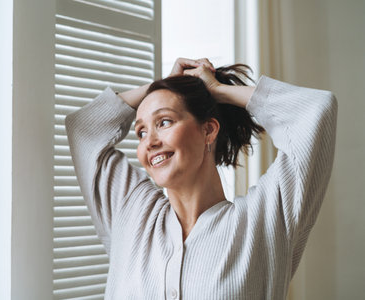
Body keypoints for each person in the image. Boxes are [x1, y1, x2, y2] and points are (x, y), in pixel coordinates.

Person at [65, 58, 338, 299]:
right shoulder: (132, 213)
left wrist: (219, 92)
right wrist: (162, 86)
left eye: (164, 122)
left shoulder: (263, 221)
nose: (150, 142)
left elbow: (316, 110)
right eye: (141, 132)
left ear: (208, 130)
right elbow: (83, 129)